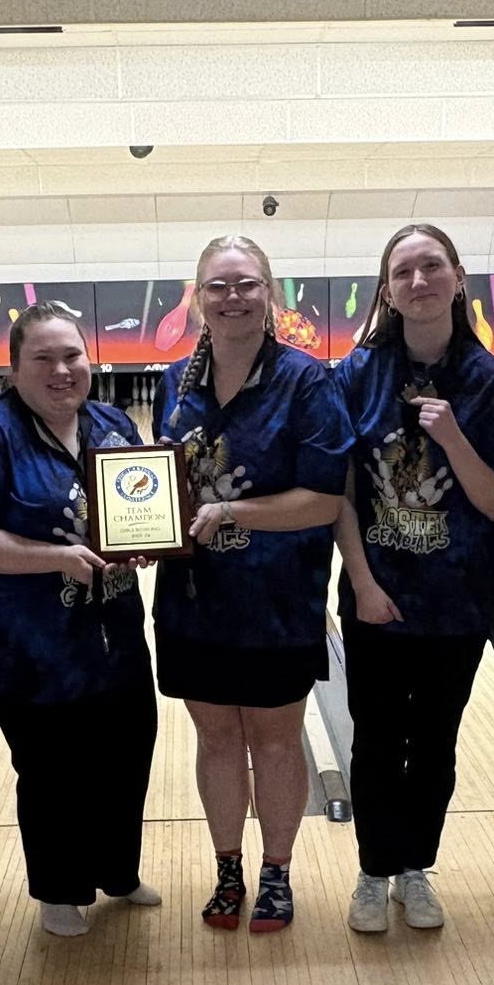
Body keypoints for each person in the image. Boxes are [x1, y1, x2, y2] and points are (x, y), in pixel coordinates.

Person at [0, 302, 162, 938]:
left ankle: (118, 870)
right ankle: (60, 891)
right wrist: (56, 558)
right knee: (54, 770)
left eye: (72, 356)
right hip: (27, 646)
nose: (62, 370)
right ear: (13, 369)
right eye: (43, 358)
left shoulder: (113, 423)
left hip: (115, 631)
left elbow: (139, 509)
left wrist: (145, 541)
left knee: (126, 752)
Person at [152, 236, 351, 933]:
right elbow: (156, 491)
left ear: (270, 293)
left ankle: (277, 872)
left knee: (274, 740)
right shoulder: (172, 383)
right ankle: (228, 869)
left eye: (246, 284)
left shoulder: (307, 382)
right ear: (198, 296)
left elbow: (325, 500)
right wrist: (144, 532)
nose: (232, 298)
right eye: (218, 286)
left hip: (277, 602)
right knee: (214, 740)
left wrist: (232, 512)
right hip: (193, 601)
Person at [333, 223, 494, 934]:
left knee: (435, 741)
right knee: (375, 739)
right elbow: (341, 494)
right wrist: (362, 583)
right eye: (403, 271)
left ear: (458, 277)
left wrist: (451, 438)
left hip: (460, 602)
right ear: (387, 290)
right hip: (375, 597)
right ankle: (373, 871)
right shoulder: (356, 375)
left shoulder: (492, 381)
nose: (419, 281)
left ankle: (415, 868)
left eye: (432, 266)